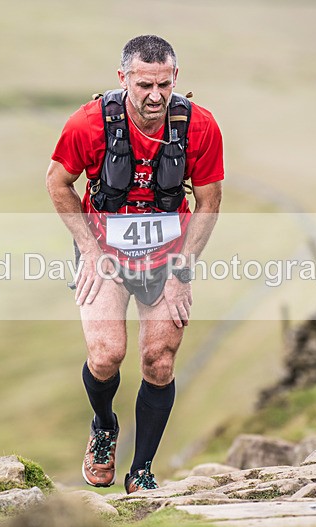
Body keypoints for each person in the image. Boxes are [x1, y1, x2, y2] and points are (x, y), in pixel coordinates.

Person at [46, 35, 224, 493]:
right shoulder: (88, 124)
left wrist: (183, 272)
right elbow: (57, 182)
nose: (155, 95)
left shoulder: (199, 127)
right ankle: (104, 427)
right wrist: (88, 249)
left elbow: (209, 202)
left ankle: (141, 471)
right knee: (106, 355)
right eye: (144, 84)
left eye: (164, 84)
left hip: (168, 258)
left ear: (175, 79)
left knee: (158, 362)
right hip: (104, 253)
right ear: (123, 78)